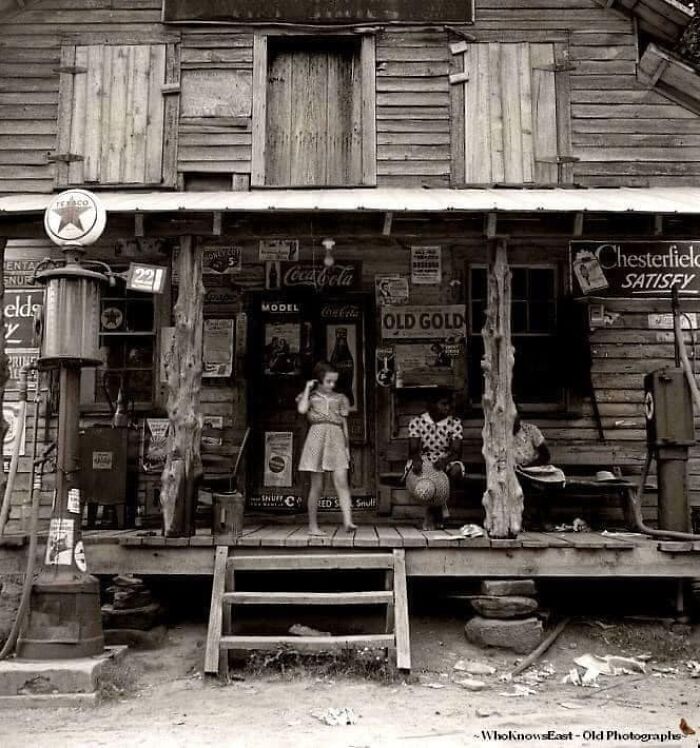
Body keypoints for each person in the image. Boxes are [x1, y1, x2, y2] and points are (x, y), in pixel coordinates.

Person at [296, 361, 357, 536]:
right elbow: (302, 410)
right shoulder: (310, 397)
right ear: (319, 380)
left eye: (334, 381)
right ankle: (313, 526)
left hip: (336, 438)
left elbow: (344, 424)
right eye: (328, 381)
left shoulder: (341, 398)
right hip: (316, 438)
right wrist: (308, 388)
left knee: (341, 481)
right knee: (317, 485)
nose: (332, 385)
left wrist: (347, 447)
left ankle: (348, 521)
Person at [407, 389, 464, 529]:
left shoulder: (454, 423)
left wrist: (444, 461)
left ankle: (432, 512)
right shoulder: (417, 422)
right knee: (422, 473)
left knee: (455, 470)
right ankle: (438, 514)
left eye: (449, 404)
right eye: (443, 404)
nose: (448, 407)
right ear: (432, 405)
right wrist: (418, 460)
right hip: (423, 459)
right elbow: (413, 449)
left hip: (446, 459)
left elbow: (456, 451)